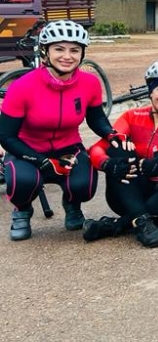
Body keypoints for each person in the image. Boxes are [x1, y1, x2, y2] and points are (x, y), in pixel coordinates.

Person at [0, 21, 115, 241]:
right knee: (23, 181)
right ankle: (22, 210)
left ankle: (72, 205)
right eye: (59, 49)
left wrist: (111, 133)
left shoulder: (89, 83)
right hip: (28, 148)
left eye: (74, 50)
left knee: (85, 184)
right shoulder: (22, 86)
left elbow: (96, 118)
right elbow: (6, 135)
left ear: (82, 53)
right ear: (46, 51)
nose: (67, 56)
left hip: (68, 147)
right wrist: (42, 161)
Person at [85, 59, 158, 248]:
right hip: (129, 193)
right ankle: (140, 221)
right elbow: (96, 149)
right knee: (117, 148)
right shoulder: (131, 117)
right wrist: (108, 164)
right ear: (151, 91)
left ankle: (121, 224)